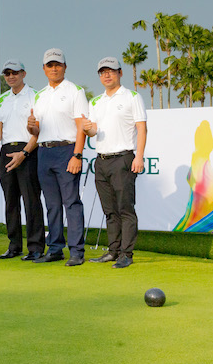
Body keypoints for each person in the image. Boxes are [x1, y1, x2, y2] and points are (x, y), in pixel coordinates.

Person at [83, 57, 147, 269]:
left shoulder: (132, 97)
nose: (106, 75)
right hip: (101, 161)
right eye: (102, 72)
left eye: (110, 71)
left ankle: (126, 254)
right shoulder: (95, 102)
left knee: (125, 208)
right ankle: (113, 251)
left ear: (120, 72)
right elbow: (93, 132)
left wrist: (139, 156)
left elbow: (141, 128)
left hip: (123, 158)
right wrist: (86, 128)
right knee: (109, 210)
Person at [27, 48, 88, 266]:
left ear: (65, 67)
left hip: (67, 151)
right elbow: (37, 131)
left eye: (58, 65)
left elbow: (81, 127)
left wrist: (77, 155)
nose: (54, 68)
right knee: (52, 204)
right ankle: (54, 248)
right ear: (43, 69)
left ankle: (77, 251)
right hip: (44, 152)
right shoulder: (39, 95)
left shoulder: (75, 91)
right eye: (50, 65)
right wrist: (31, 128)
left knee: (71, 202)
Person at [0, 60, 45, 260]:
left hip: (28, 150)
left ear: (23, 73)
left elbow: (39, 131)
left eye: (15, 72)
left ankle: (36, 247)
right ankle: (14, 246)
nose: (11, 76)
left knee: (31, 201)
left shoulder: (35, 96)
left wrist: (25, 153)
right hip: (6, 151)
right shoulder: (1, 99)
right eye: (7, 73)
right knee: (10, 201)